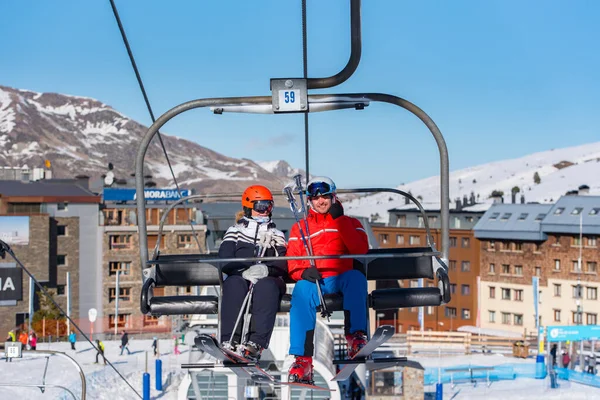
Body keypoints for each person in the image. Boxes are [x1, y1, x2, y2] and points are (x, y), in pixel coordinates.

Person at [286, 176, 369, 384]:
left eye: (325, 197)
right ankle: (302, 359)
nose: (320, 201)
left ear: (333, 197)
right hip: (317, 281)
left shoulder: (350, 223)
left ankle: (355, 338)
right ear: (309, 201)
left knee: (356, 279)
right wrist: (303, 273)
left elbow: (360, 250)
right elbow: (292, 260)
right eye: (315, 198)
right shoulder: (300, 228)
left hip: (341, 277)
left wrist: (340, 221)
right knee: (301, 290)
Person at [219, 185, 288, 363]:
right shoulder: (235, 231)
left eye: (268, 206)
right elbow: (225, 260)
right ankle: (230, 340)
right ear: (248, 207)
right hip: (241, 276)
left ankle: (255, 344)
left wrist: (267, 270)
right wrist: (243, 271)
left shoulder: (277, 234)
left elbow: (284, 263)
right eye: (260, 206)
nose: (265, 211)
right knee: (233, 283)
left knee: (267, 286)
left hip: (269, 279)